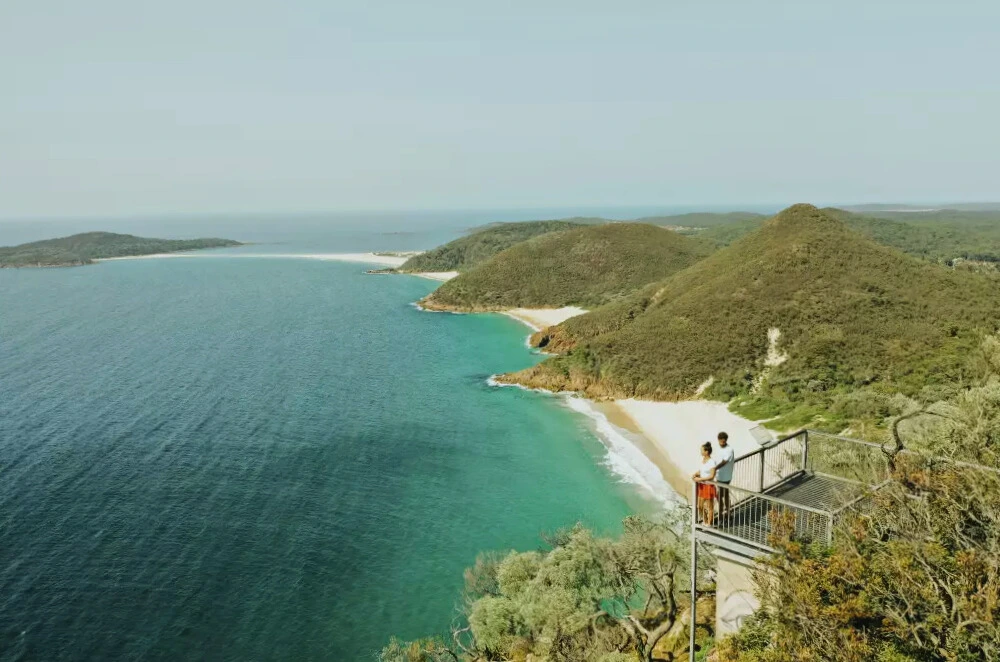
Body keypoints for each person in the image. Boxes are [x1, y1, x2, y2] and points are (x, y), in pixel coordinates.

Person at [692, 442, 717, 525]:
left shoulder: (712, 462)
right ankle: (705, 521)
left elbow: (712, 476)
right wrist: (695, 474)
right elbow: (701, 471)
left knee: (710, 507)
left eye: (702, 450)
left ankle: (709, 524)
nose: (700, 451)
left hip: (708, 485)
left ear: (706, 452)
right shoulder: (703, 460)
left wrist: (700, 479)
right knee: (700, 506)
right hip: (702, 486)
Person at [715, 431, 735, 519]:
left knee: (720, 495)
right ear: (718, 440)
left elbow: (724, 461)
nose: (722, 443)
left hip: (726, 477)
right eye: (720, 441)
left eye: (723, 441)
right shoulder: (718, 448)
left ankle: (721, 514)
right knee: (725, 494)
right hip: (719, 476)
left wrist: (714, 468)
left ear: (726, 440)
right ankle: (727, 512)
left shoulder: (729, 449)